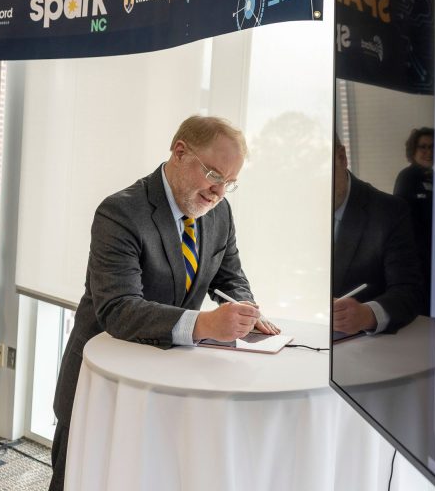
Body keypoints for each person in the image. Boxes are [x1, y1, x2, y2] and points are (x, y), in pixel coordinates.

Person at [50, 116, 279, 490]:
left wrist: (245, 309)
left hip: (165, 384)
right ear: (179, 152)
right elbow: (119, 309)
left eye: (230, 183)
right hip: (104, 382)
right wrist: (205, 324)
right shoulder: (120, 212)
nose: (219, 191)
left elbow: (230, 276)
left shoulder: (218, 212)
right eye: (214, 175)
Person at [333, 134, 423, 336]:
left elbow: (409, 291)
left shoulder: (389, 211)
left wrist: (367, 315)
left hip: (367, 350)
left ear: (341, 157)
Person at [393, 127, 434, 297]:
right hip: (416, 260)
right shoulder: (407, 177)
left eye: (432, 147)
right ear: (413, 150)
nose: (428, 152)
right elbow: (400, 220)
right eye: (423, 147)